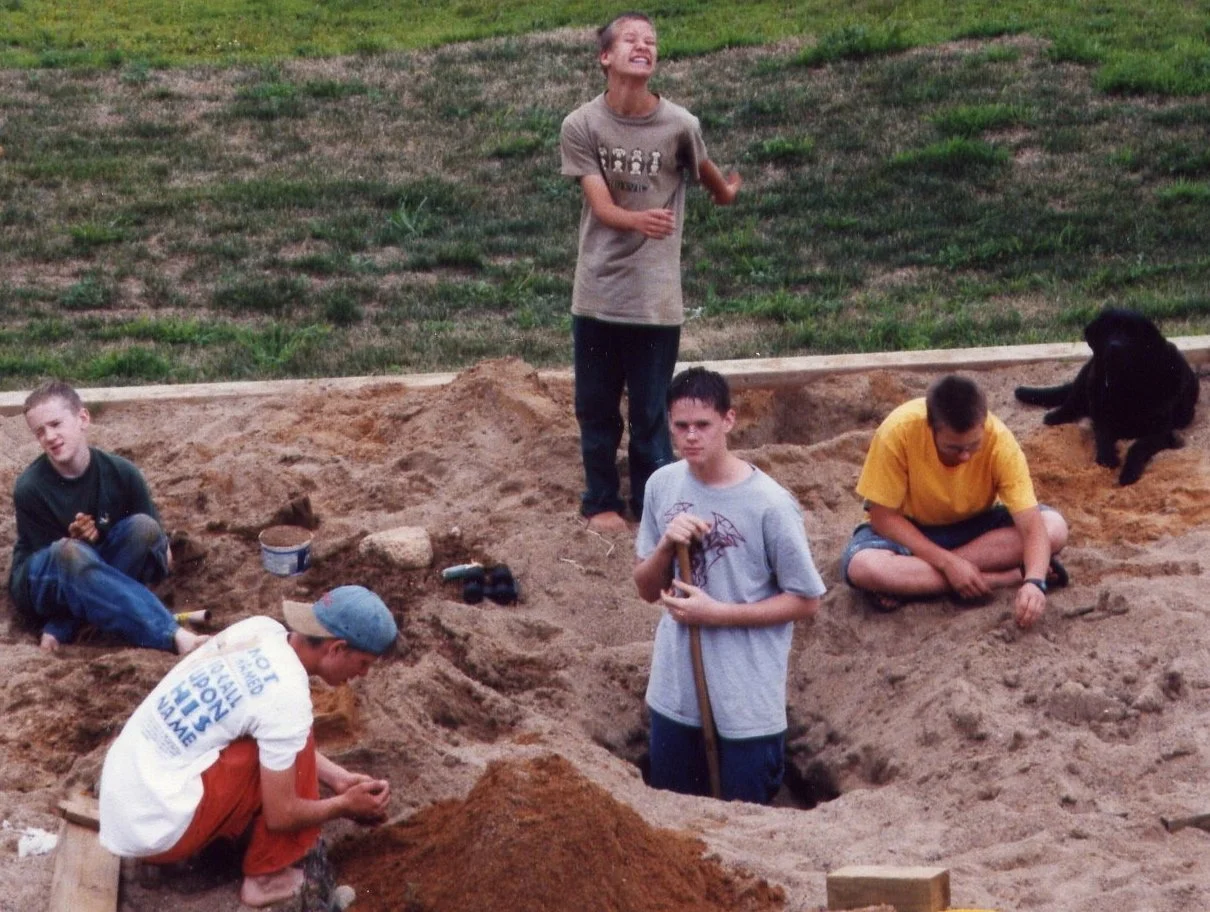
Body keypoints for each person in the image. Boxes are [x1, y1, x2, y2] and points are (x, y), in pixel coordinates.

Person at [99, 586, 398, 908]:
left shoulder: (259, 629)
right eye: (363, 663)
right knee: (286, 738)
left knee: (279, 736)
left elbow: (264, 725)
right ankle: (266, 879)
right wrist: (343, 805)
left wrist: (338, 778)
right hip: (155, 833)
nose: (362, 675)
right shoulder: (287, 695)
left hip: (125, 796)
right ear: (337, 648)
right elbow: (282, 815)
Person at [560, 12, 742, 534]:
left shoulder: (680, 125)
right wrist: (639, 219)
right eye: (631, 40)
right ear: (605, 57)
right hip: (596, 294)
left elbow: (702, 165)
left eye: (651, 41)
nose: (644, 46)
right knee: (595, 410)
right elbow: (601, 205)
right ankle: (600, 501)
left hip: (654, 302)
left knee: (648, 416)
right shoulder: (582, 125)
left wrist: (725, 191)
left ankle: (650, 504)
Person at [634, 367, 825, 803]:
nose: (691, 437)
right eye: (680, 427)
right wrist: (666, 545)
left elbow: (806, 600)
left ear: (729, 421)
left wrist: (717, 615)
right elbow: (646, 588)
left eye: (702, 425)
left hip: (746, 702)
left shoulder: (770, 505)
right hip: (675, 694)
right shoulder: (661, 486)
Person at [840, 374, 1070, 629]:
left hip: (975, 527)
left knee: (1054, 527)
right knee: (864, 567)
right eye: (953, 448)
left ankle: (917, 583)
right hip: (908, 530)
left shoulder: (1001, 442)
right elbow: (882, 517)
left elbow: (1031, 524)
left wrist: (1035, 582)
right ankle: (1000, 577)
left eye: (973, 445)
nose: (964, 456)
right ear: (931, 427)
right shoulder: (898, 430)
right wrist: (948, 564)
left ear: (983, 423)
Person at [7, 380, 206, 655]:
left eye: (55, 424)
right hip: (41, 582)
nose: (49, 437)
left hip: (94, 571)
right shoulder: (31, 488)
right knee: (71, 553)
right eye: (39, 432)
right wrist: (79, 544)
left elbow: (160, 550)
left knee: (144, 528)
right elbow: (54, 564)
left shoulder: (122, 473)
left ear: (83, 418)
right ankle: (173, 635)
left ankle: (67, 624)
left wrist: (99, 541)